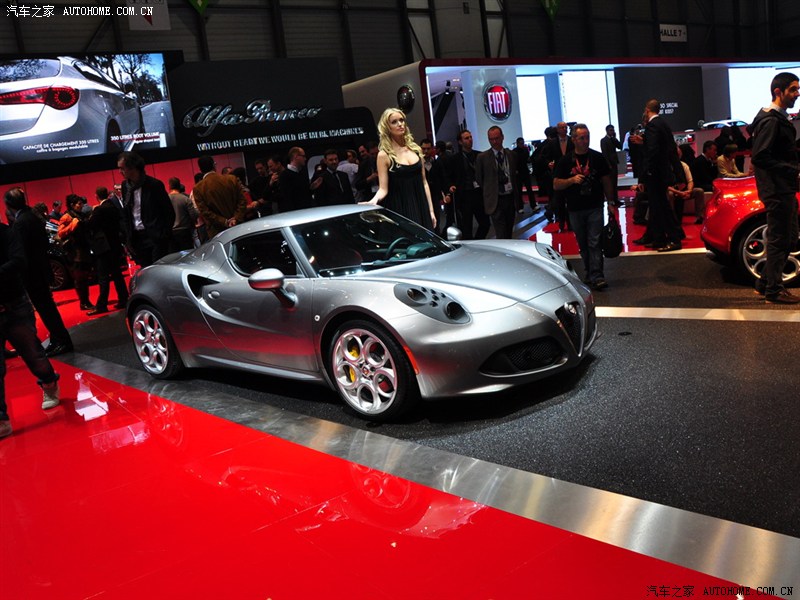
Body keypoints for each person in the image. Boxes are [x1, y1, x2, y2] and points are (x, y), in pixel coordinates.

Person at [0, 219, 61, 439]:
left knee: (33, 354)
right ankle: (1, 419)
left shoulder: (6, 233)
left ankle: (49, 383)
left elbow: (18, 261)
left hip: (14, 305)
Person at [748, 71, 800, 304]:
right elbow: (760, 156)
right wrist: (792, 170)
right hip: (777, 189)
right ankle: (774, 291)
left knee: (789, 237)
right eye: (793, 89)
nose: (797, 94)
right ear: (778, 92)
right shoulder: (771, 120)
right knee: (781, 239)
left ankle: (764, 284)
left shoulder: (776, 118)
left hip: (783, 188)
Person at [3, 187, 73, 357]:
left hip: (33, 273)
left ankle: (62, 341)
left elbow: (21, 252)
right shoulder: (32, 215)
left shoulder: (21, 222)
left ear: (9, 205)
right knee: (47, 307)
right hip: (41, 269)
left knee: (46, 308)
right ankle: (58, 339)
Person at [553, 124, 613, 290]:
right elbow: (556, 184)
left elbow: (606, 181)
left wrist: (611, 202)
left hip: (595, 206)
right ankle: (589, 272)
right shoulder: (565, 161)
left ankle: (597, 275)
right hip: (575, 208)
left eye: (587, 137)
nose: (585, 141)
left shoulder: (597, 158)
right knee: (583, 243)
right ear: (573, 139)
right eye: (581, 138)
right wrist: (571, 180)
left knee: (595, 242)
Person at [363, 109, 436, 230]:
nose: (400, 124)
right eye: (394, 122)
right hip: (400, 208)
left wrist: (431, 210)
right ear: (387, 127)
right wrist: (373, 200)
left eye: (401, 120)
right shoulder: (384, 155)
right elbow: (383, 189)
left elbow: (424, 183)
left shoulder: (416, 149)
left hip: (421, 206)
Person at [632, 99, 683, 252]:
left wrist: (644, 175)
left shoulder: (652, 125)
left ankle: (674, 238)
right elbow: (668, 149)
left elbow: (652, 152)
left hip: (655, 174)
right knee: (657, 207)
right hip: (662, 172)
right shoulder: (663, 124)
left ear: (647, 110)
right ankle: (659, 238)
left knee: (662, 207)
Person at [118, 151, 175, 268]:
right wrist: (127, 236)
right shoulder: (125, 186)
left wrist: (164, 235)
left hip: (155, 238)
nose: (120, 172)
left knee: (158, 271)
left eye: (122, 168)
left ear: (133, 167)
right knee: (145, 272)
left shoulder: (154, 185)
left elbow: (169, 212)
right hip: (137, 239)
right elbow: (126, 213)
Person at [86, 187, 129, 314]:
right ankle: (123, 299)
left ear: (96, 196)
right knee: (117, 274)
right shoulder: (113, 206)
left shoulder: (99, 210)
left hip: (104, 247)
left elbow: (90, 225)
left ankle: (101, 305)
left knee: (103, 277)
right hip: (115, 245)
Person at [475, 126, 519, 239]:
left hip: (510, 198)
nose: (494, 142)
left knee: (509, 231)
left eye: (497, 138)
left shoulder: (511, 155)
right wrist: (490, 189)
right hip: (495, 200)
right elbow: (479, 178)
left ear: (502, 137)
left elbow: (516, 176)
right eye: (491, 139)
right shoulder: (482, 157)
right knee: (501, 233)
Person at [192, 155, 248, 238]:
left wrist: (225, 222)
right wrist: (236, 218)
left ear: (200, 169)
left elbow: (205, 212)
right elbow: (242, 201)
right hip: (238, 227)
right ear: (214, 165)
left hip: (217, 232)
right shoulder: (232, 179)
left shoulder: (198, 188)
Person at [446, 129, 489, 239]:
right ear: (460, 142)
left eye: (470, 137)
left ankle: (477, 242)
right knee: (466, 227)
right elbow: (449, 176)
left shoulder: (479, 155)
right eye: (466, 138)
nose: (470, 139)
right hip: (464, 196)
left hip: (478, 194)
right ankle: (470, 245)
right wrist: (451, 186)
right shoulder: (455, 159)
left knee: (485, 223)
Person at [57, 194, 94, 310]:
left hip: (84, 248)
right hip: (75, 251)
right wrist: (73, 224)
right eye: (79, 204)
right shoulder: (67, 217)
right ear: (72, 205)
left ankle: (86, 301)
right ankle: (83, 302)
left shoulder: (81, 214)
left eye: (81, 203)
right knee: (80, 278)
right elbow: (60, 233)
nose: (81, 205)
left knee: (85, 277)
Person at [168, 177, 199, 252]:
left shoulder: (165, 199)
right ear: (179, 185)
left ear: (170, 187)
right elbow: (193, 215)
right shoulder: (185, 199)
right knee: (188, 253)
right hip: (185, 232)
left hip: (171, 233)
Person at [280, 147, 314, 212]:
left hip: (308, 211)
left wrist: (311, 188)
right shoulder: (284, 175)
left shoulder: (303, 172)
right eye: (303, 156)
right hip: (295, 213)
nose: (305, 159)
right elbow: (287, 199)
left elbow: (304, 194)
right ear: (296, 156)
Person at [600, 125, 623, 206]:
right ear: (607, 131)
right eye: (610, 130)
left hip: (614, 163)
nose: (612, 132)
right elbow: (605, 153)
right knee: (610, 183)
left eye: (613, 130)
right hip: (609, 164)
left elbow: (620, 146)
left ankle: (616, 199)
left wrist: (615, 138)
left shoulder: (613, 139)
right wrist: (608, 164)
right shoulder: (604, 140)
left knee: (615, 182)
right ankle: (611, 200)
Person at [511, 137, 533, 212]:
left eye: (523, 143)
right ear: (517, 143)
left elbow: (527, 160)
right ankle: (520, 207)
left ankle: (533, 205)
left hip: (525, 171)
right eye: (521, 143)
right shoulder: (514, 152)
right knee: (519, 191)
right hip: (518, 173)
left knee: (529, 190)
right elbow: (513, 162)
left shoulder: (525, 150)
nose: (522, 144)